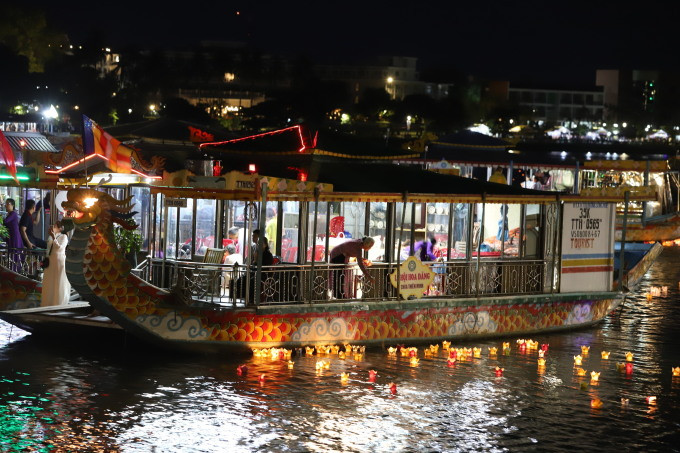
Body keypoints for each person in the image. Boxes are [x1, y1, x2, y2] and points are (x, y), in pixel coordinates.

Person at [41, 223, 71, 306]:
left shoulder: (64, 237)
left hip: (59, 260)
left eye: (54, 226)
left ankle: (58, 302)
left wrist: (54, 237)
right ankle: (48, 301)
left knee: (58, 280)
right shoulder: (50, 237)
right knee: (49, 280)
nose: (52, 227)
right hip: (51, 260)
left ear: (60, 228)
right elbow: (49, 249)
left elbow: (59, 248)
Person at [3, 198, 23, 272]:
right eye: (6, 204)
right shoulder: (9, 214)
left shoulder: (13, 214)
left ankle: (15, 270)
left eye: (8, 204)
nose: (6, 205)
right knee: (11, 253)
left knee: (14, 253)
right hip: (11, 237)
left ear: (12, 205)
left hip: (14, 237)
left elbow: (5, 222)